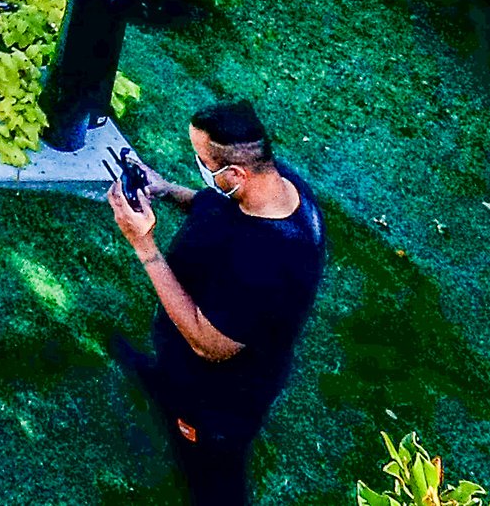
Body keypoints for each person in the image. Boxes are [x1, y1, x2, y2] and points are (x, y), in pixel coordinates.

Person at [107, 99, 328, 506]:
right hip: (183, 366)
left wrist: (144, 245)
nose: (199, 166)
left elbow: (207, 343)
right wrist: (169, 190)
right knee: (170, 381)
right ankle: (160, 384)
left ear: (235, 173)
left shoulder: (269, 265)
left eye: (202, 160)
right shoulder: (275, 185)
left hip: (219, 396)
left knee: (211, 474)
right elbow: (219, 205)